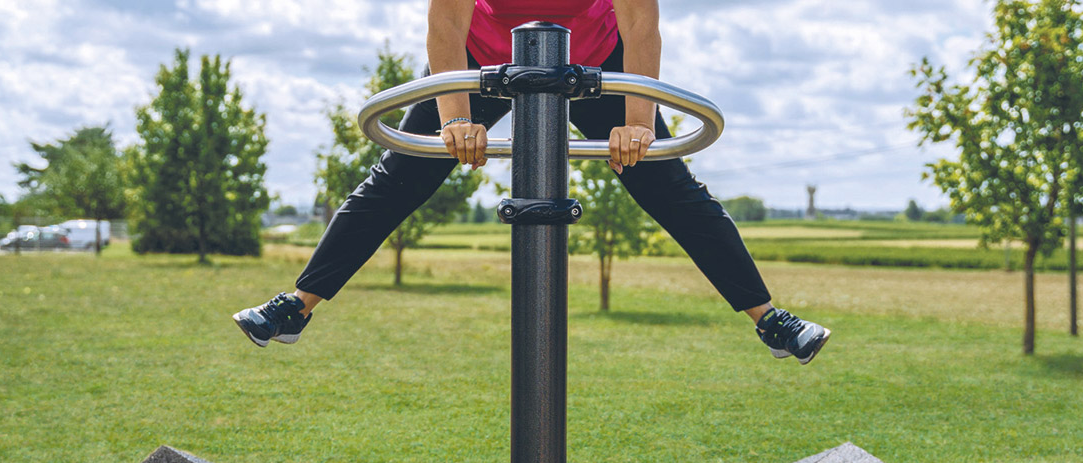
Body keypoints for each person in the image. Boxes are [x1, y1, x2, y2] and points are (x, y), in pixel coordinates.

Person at [234, 0, 831, 365]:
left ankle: (769, 321)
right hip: (484, 60)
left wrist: (638, 125)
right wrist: (455, 120)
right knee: (399, 178)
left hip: (595, 61)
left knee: (667, 186)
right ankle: (297, 307)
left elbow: (642, 26)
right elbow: (445, 26)